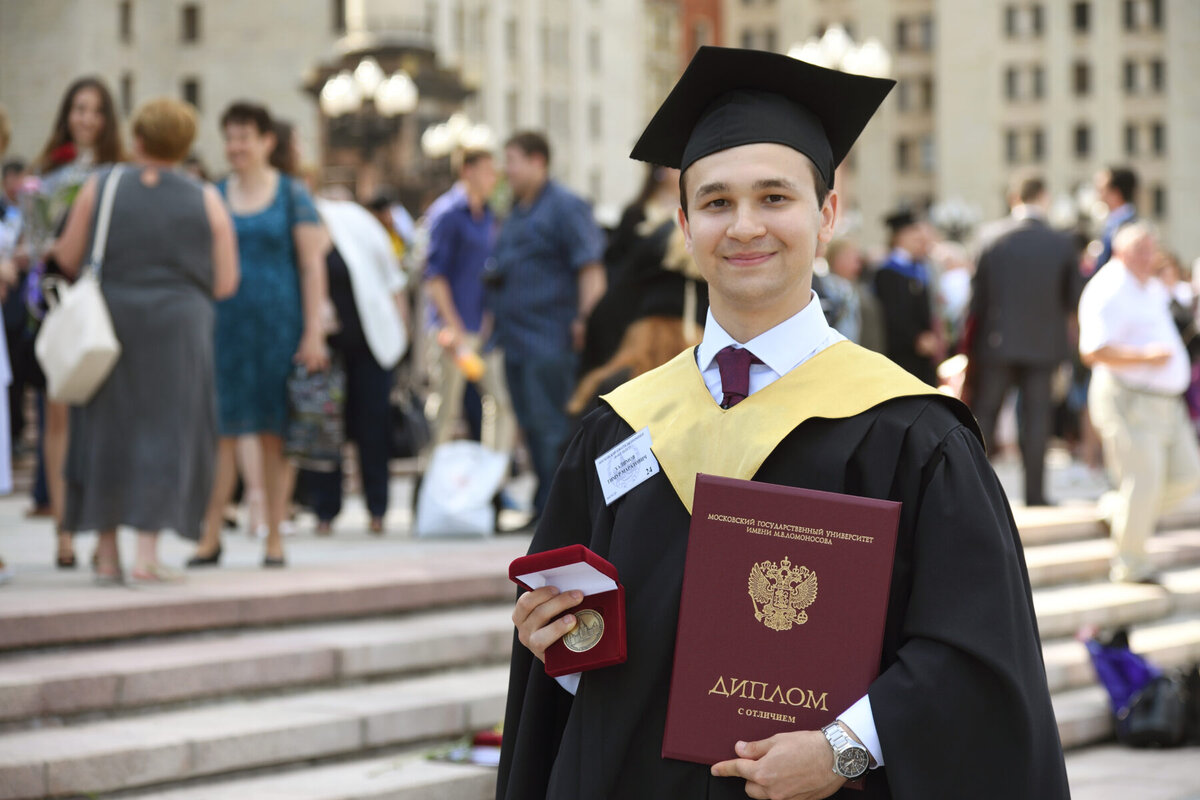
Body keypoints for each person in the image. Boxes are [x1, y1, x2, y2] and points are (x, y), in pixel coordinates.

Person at [499, 46, 1069, 800]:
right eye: (715, 203)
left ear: (826, 215)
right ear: (684, 224)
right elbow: (577, 681)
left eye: (774, 198)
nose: (744, 227)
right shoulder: (620, 430)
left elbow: (976, 659)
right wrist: (555, 645)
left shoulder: (909, 433)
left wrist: (843, 751)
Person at [49, 98, 238, 583]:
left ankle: (106, 554)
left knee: (105, 430)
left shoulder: (103, 185)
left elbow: (68, 256)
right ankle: (147, 555)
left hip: (110, 322)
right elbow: (226, 282)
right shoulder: (207, 198)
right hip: (180, 327)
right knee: (166, 432)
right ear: (185, 145)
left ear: (137, 139)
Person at [189, 101, 329, 569]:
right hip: (225, 330)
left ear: (267, 141)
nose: (236, 146)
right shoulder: (214, 193)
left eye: (244, 136)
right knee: (222, 433)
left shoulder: (291, 193)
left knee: (275, 435)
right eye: (229, 137)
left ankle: (273, 537)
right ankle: (210, 535)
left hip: (280, 330)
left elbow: (312, 265)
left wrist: (313, 331)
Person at [31, 77, 124, 569]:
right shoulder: (48, 175)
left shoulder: (119, 174)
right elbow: (31, 241)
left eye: (96, 110)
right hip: (59, 300)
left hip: (105, 301)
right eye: (78, 109)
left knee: (107, 420)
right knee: (58, 416)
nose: (86, 118)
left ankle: (104, 533)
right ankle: (65, 530)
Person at [488, 130, 606, 517]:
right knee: (529, 425)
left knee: (552, 427)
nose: (506, 170)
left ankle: (562, 516)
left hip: (550, 338)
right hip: (515, 340)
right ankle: (545, 509)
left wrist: (587, 320)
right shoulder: (516, 211)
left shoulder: (565, 206)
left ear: (538, 161)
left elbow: (590, 267)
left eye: (512, 161)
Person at [1078, 223, 1200, 584]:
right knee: (1143, 482)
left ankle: (1118, 512)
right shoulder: (1108, 287)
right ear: (1121, 251)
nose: (1149, 257)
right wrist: (1146, 357)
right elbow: (1093, 350)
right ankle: (1130, 564)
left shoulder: (1148, 286)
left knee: (1187, 476)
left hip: (1166, 402)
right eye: (1140, 250)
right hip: (1130, 399)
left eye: (1152, 249)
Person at [968, 175, 1082, 506]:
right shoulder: (1061, 242)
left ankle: (971, 493)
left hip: (996, 343)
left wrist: (969, 346)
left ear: (1013, 198)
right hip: (1044, 346)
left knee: (985, 418)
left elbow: (976, 301)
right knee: (1037, 421)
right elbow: (1074, 299)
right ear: (1044, 197)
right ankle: (1035, 495)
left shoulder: (989, 237)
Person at [308, 191, 409, 534]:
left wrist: (402, 333)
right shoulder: (301, 234)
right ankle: (324, 511)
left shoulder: (353, 223)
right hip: (325, 352)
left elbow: (392, 279)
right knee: (325, 430)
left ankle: (377, 508)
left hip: (370, 346)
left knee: (373, 426)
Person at [423, 148, 513, 452]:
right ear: (467, 171)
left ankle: (492, 473)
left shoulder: (489, 215)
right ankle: (432, 470)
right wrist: (452, 325)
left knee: (501, 402)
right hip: (454, 330)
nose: (493, 178)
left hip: (483, 329)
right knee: (446, 409)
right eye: (487, 171)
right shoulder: (446, 213)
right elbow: (434, 276)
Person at [873, 209, 942, 385]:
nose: (921, 244)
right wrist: (916, 338)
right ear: (900, 238)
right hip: (901, 354)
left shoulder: (919, 269)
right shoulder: (887, 272)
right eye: (916, 239)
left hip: (924, 354)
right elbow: (892, 313)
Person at [820, 238, 884, 352]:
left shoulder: (863, 292)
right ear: (835, 259)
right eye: (850, 257)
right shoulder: (822, 289)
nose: (857, 263)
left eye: (858, 258)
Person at [1091, 166, 1138, 274]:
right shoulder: (1110, 223)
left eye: (1102, 189)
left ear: (1115, 193)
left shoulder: (1131, 228)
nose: (1099, 195)